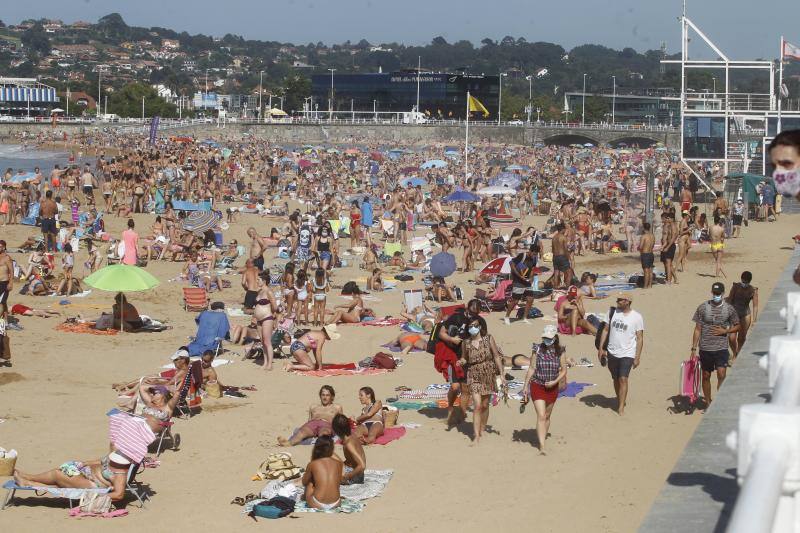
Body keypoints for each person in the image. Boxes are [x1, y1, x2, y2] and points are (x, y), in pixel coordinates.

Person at [457, 314, 506, 444]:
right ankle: (476, 436)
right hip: (473, 374)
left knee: (485, 405)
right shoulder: (466, 343)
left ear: (480, 326)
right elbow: (464, 358)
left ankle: (482, 428)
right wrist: (461, 362)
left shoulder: (488, 338)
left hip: (488, 373)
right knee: (477, 405)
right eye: (470, 326)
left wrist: (501, 373)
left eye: (475, 325)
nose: (473, 328)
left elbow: (496, 356)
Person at [691, 282, 740, 409]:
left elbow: (737, 325)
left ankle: (720, 398)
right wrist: (693, 348)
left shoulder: (729, 309)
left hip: (721, 348)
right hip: (705, 348)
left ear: (723, 294)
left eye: (718, 293)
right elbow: (697, 329)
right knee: (706, 376)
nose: (716, 295)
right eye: (714, 293)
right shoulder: (702, 307)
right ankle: (708, 402)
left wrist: (726, 331)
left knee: (722, 374)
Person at [521, 325, 567, 455]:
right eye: (545, 337)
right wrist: (525, 386)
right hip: (537, 384)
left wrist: (555, 381)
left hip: (552, 387)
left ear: (555, 338)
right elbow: (532, 367)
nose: (546, 340)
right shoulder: (537, 349)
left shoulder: (561, 351)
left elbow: (564, 370)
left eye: (549, 338)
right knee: (541, 415)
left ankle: (542, 436)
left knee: (547, 415)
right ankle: (542, 446)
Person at [596, 292, 644, 416]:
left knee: (623, 378)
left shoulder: (637, 317)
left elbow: (639, 338)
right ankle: (619, 398)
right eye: (617, 300)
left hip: (628, 352)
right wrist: (601, 348)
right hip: (612, 351)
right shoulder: (612, 312)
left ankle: (621, 406)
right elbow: (605, 330)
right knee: (615, 378)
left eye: (620, 300)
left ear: (627, 302)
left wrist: (637, 356)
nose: (617, 302)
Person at [13, 451, 131, 501]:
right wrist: (84, 463)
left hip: (93, 485)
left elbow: (119, 494)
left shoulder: (120, 473)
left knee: (57, 474)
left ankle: (29, 479)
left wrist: (98, 495)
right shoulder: (120, 454)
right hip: (87, 475)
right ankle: (29, 481)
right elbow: (101, 461)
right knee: (61, 476)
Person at [278, 385, 343, 446]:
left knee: (324, 433)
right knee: (302, 432)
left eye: (327, 395)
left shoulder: (337, 407)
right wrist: (306, 428)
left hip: (327, 424)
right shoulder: (313, 407)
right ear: (320, 396)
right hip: (313, 424)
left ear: (332, 397)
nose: (325, 397)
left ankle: (321, 443)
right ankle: (288, 443)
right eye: (323, 395)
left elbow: (341, 422)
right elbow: (309, 421)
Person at [301, 436, 342, 511]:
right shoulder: (339, 463)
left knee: (310, 482)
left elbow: (304, 482)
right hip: (336, 503)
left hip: (316, 503)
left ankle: (306, 498)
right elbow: (338, 482)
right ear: (332, 449)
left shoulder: (313, 464)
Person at [503, 244, 539, 325]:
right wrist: (519, 276)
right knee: (515, 300)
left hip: (527, 281)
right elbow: (512, 264)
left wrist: (531, 278)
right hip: (518, 281)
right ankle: (507, 316)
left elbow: (532, 269)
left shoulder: (534, 258)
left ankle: (525, 318)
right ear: (530, 251)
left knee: (530, 299)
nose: (534, 255)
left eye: (536, 254)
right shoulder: (522, 255)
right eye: (534, 254)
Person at [727, 271, 758, 359]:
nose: (744, 283)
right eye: (743, 281)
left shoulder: (753, 290)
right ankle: (735, 353)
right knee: (731, 337)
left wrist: (755, 319)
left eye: (746, 282)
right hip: (734, 314)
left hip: (745, 315)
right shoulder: (735, 287)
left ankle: (738, 354)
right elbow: (730, 299)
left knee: (741, 337)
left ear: (749, 281)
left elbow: (755, 306)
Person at [253, 271, 279, 371]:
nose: (257, 282)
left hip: (267, 318)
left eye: (258, 280)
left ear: (264, 281)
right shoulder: (259, 292)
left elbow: (275, 306)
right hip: (259, 319)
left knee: (267, 342)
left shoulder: (269, 292)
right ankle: (265, 362)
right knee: (262, 342)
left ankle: (269, 364)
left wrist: (273, 315)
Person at [331, 413, 366, 485]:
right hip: (353, 470)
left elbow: (362, 465)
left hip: (355, 476)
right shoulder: (352, 436)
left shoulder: (349, 444)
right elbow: (352, 459)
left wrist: (347, 476)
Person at [660, 212, 678, 284]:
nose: (667, 219)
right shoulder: (669, 226)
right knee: (668, 264)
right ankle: (672, 278)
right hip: (667, 245)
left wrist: (667, 246)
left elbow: (673, 238)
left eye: (668, 218)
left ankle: (669, 280)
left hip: (670, 246)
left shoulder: (673, 226)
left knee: (668, 263)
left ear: (672, 219)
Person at [639, 222, 655, 289]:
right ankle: (650, 285)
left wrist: (639, 248)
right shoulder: (652, 236)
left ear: (643, 228)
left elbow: (641, 246)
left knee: (646, 271)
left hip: (645, 254)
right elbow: (653, 245)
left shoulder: (643, 236)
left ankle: (645, 286)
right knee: (650, 271)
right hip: (651, 253)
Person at [0, 240, 13, 316]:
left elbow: (11, 271)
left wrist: (11, 283)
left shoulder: (7, 258)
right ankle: (6, 320)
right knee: (3, 302)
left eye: (0, 246)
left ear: (4, 247)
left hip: (4, 283)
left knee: (1, 302)